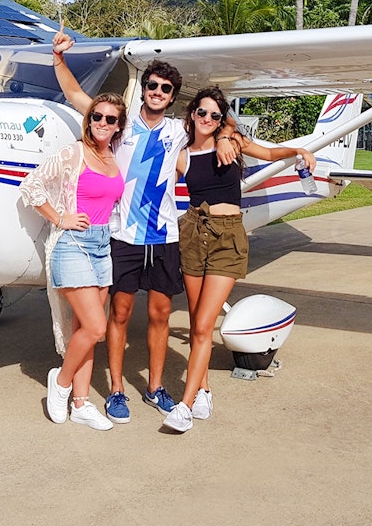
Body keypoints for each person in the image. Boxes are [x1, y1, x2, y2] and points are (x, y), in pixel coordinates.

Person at [51, 30, 240, 423]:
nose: (157, 91)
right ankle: (117, 390)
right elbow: (78, 99)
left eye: (165, 88)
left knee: (160, 315)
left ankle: (155, 387)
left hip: (165, 236)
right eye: (152, 85)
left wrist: (225, 134)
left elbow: (213, 121)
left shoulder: (178, 132)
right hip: (124, 236)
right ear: (145, 91)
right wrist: (58, 60)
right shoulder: (118, 127)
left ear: (173, 98)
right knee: (118, 315)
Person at [162, 87, 315, 433]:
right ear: (192, 115)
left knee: (203, 325)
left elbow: (272, 152)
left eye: (216, 115)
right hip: (193, 235)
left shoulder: (233, 143)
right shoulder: (182, 156)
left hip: (228, 237)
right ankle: (203, 391)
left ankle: (185, 406)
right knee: (197, 320)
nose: (208, 120)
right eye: (202, 113)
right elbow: (158, 189)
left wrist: (299, 149)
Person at [19, 92, 127, 431]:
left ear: (118, 125)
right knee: (96, 327)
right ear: (89, 118)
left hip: (102, 247)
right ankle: (62, 382)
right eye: (97, 116)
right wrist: (60, 217)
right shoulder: (74, 152)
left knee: (85, 330)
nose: (101, 123)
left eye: (110, 119)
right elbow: (31, 185)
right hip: (73, 244)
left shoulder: (113, 157)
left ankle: (81, 404)